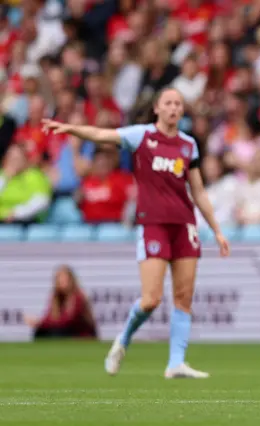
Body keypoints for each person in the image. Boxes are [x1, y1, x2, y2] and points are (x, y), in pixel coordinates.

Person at [41, 87, 231, 379]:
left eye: (178, 104)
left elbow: (199, 191)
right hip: (153, 224)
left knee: (184, 297)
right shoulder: (142, 136)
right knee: (151, 299)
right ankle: (123, 340)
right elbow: (102, 135)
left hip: (184, 225)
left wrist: (217, 230)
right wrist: (71, 129)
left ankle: (176, 362)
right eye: (168, 103)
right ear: (157, 108)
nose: (173, 108)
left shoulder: (188, 145)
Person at [24, 265, 97, 339]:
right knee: (40, 331)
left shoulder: (77, 297)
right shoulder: (56, 298)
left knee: (56, 332)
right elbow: (49, 317)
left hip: (79, 335)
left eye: (64, 280)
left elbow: (67, 321)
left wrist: (41, 323)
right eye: (59, 280)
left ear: (71, 281)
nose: (62, 282)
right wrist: (38, 323)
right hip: (65, 332)